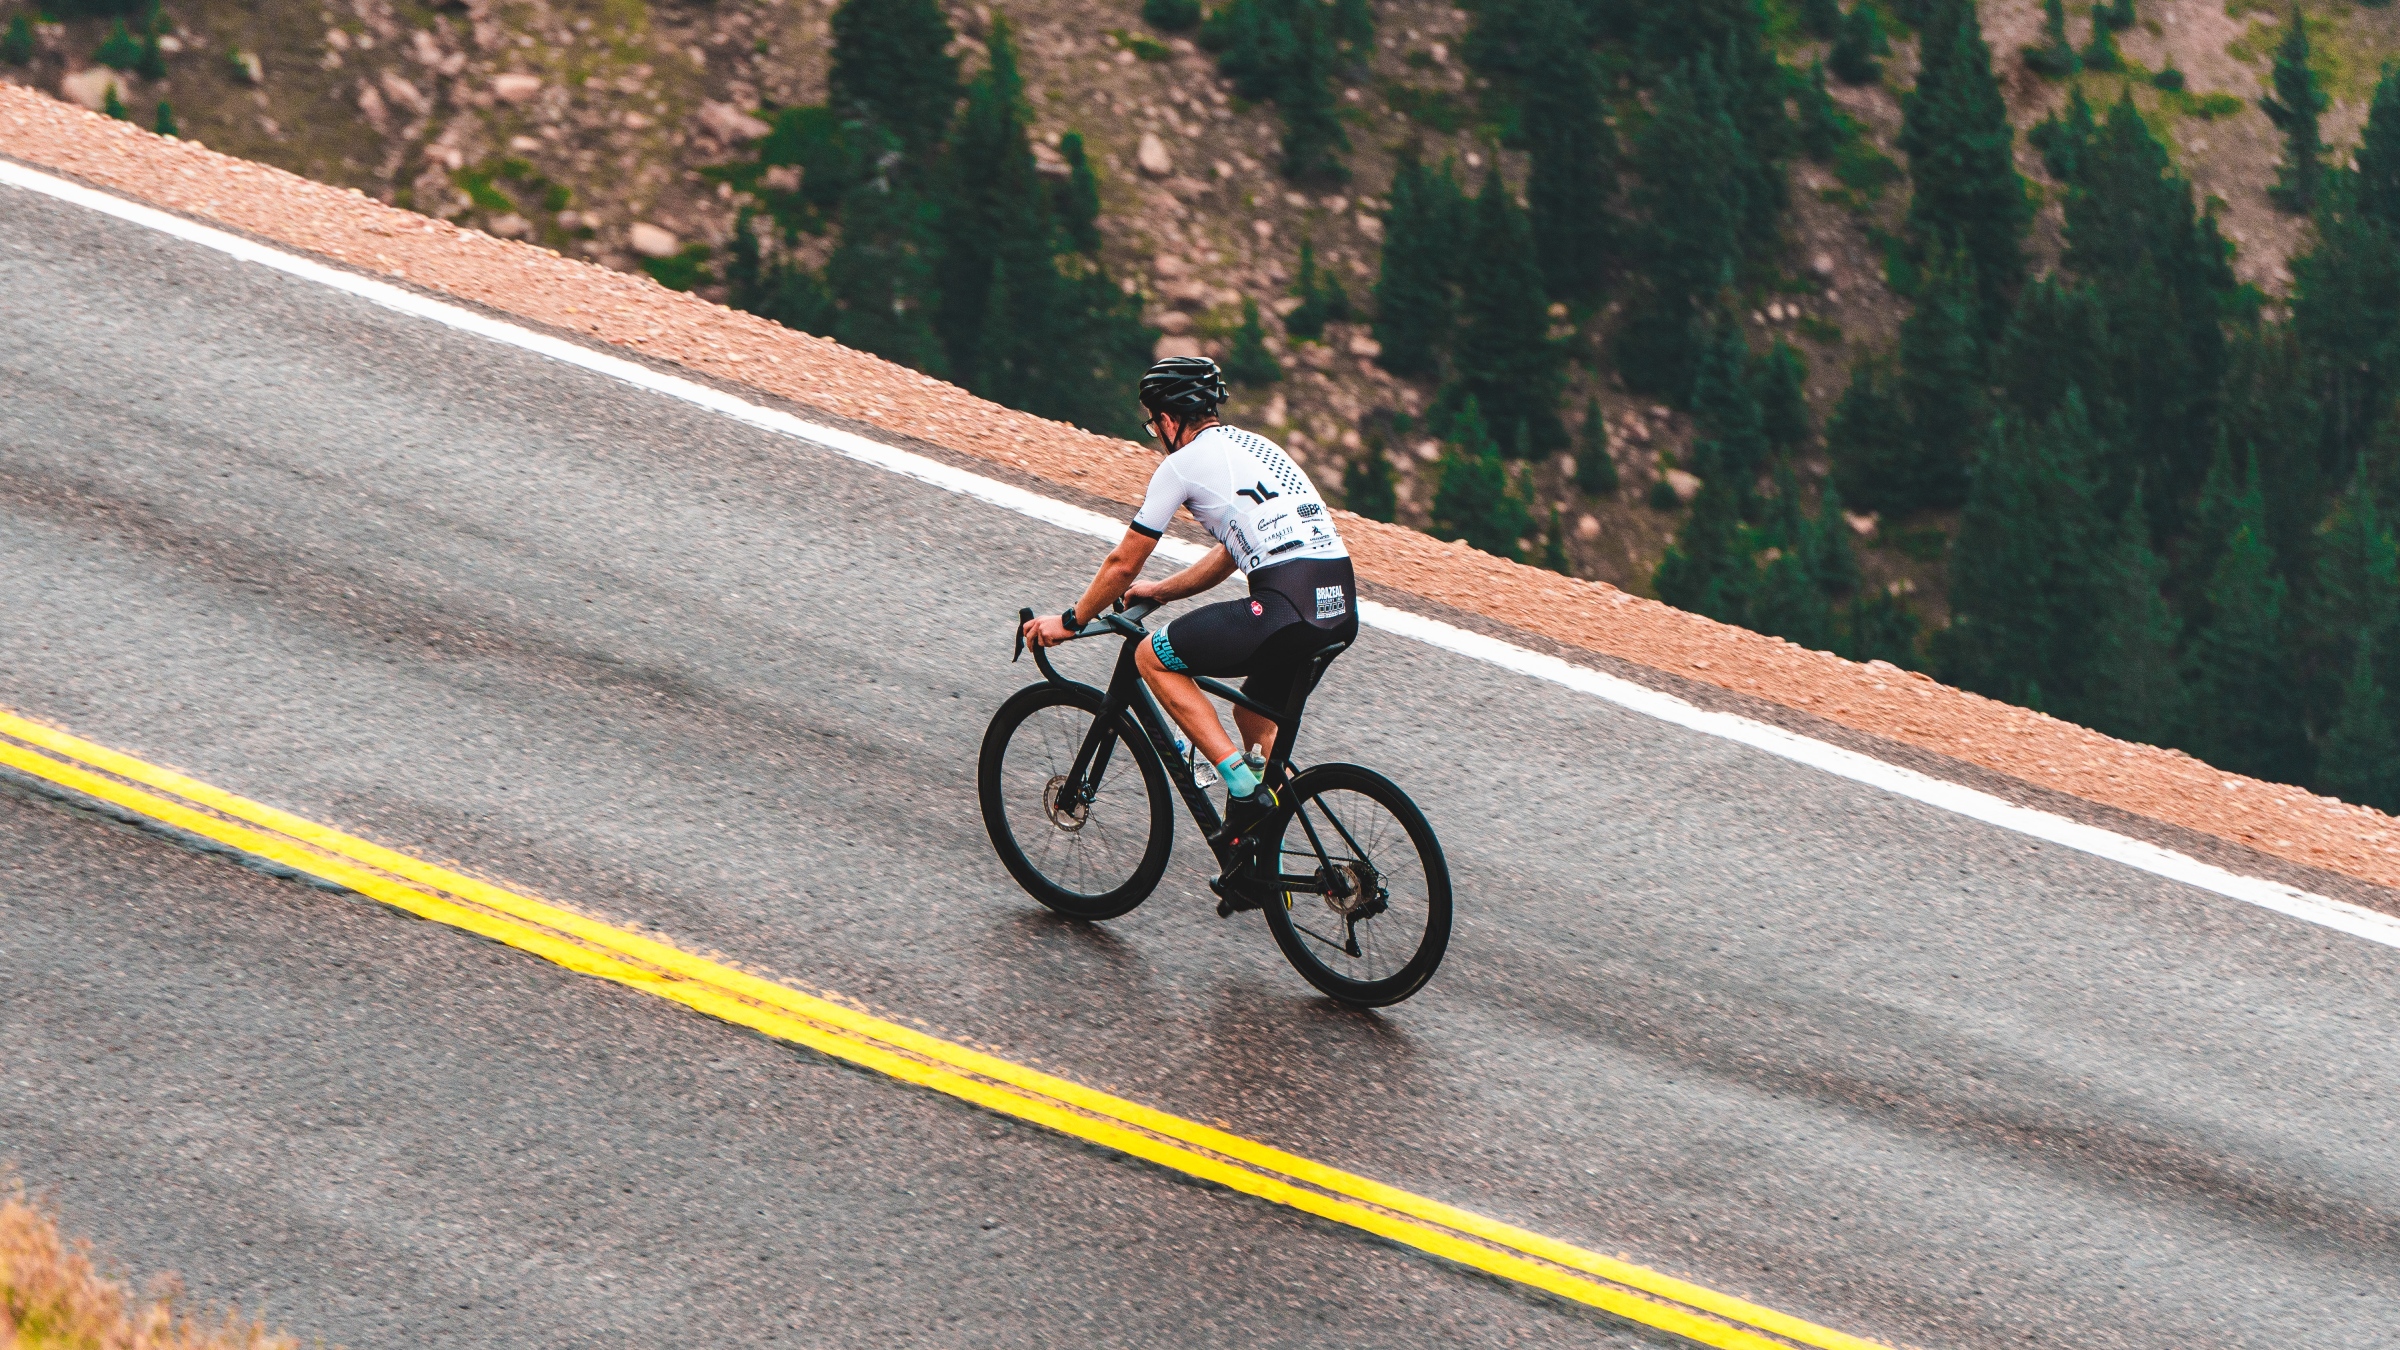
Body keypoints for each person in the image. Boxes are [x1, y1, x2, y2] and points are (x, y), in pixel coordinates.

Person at [1020, 355, 1358, 846]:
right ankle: (1265, 857)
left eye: (1154, 422)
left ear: (1171, 420)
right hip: (1337, 606)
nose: (1156, 434)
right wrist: (1160, 591)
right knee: (1252, 716)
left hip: (1288, 607)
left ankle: (1242, 789)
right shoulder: (1255, 447)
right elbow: (1229, 554)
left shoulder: (1182, 465)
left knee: (1150, 656)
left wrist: (1072, 620)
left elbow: (1122, 563)